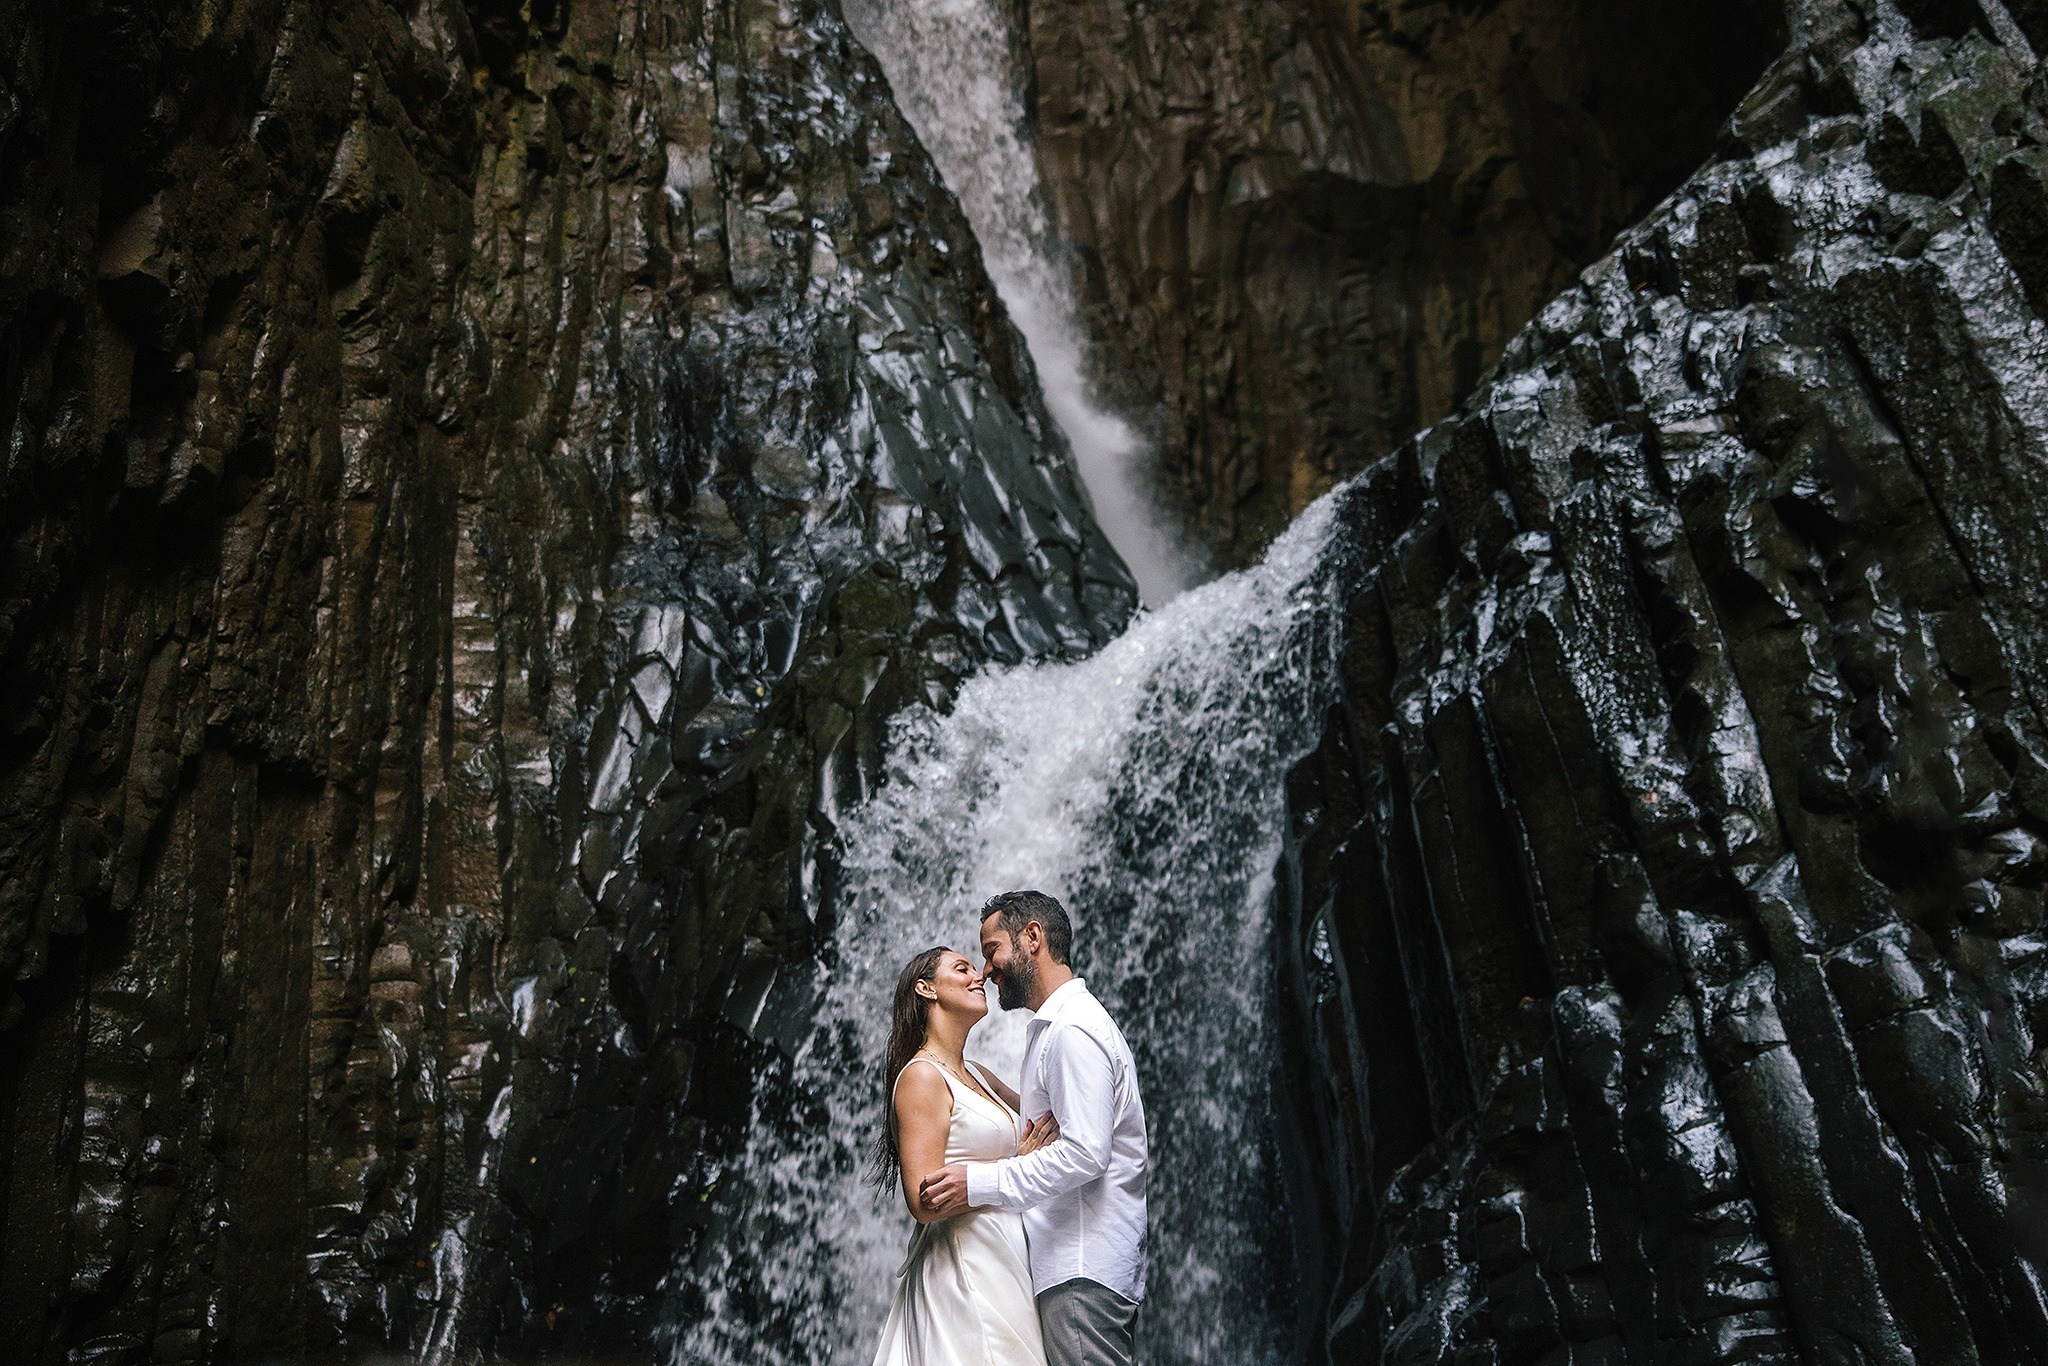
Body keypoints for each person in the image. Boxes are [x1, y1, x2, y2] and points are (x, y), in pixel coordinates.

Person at [919, 890, 1150, 1366]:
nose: (986, 972)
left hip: (1080, 1273)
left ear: (1032, 938)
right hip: (1068, 1272)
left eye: (991, 951)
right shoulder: (1060, 1029)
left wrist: (978, 1181)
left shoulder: (1072, 1031)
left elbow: (1086, 1152)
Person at [870, 944, 1061, 1366]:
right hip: (964, 1270)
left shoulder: (978, 1074)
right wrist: (1016, 1167)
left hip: (1008, 1259)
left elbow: (1050, 1122)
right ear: (926, 989)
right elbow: (922, 1202)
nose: (980, 977)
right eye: (962, 969)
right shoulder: (922, 1077)